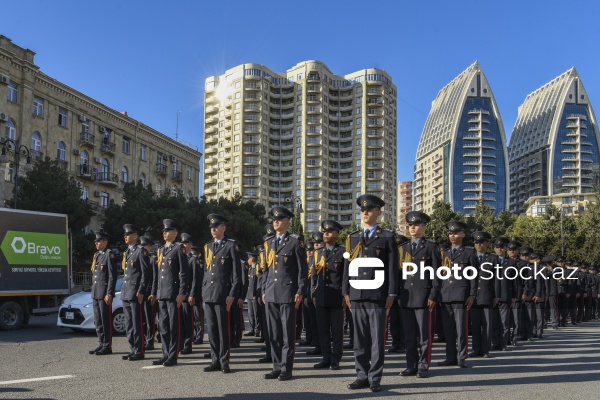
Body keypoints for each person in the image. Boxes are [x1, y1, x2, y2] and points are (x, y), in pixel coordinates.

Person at [343, 194, 399, 392]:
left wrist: (392, 293)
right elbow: (347, 267)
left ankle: (374, 377)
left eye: (369, 209)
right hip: (356, 294)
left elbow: (393, 268)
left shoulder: (387, 237)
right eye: (362, 210)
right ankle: (361, 375)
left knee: (376, 339)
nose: (365, 212)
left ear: (378, 212)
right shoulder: (353, 238)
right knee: (359, 339)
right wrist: (345, 292)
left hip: (378, 295)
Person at [262, 205, 308, 381]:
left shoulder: (295, 242)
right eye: (274, 219)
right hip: (271, 292)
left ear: (288, 222)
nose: (276, 222)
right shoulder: (269, 243)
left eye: (280, 219)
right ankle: (276, 366)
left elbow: (302, 270)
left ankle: (286, 369)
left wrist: (300, 291)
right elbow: (266, 269)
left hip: (288, 292)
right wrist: (264, 289)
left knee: (288, 334)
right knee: (273, 333)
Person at [398, 211, 441, 379]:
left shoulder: (431, 247)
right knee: (409, 335)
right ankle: (411, 365)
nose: (412, 228)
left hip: (424, 297)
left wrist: (433, 295)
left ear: (424, 227)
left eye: (416, 225)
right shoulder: (403, 248)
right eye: (410, 225)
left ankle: (423, 365)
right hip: (407, 297)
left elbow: (437, 273)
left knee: (424, 335)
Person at [202, 214, 242, 374]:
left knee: (223, 330)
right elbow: (207, 270)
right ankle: (215, 361)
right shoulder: (208, 246)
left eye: (216, 227)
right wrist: (203, 290)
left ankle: (224, 361)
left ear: (223, 228)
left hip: (223, 294)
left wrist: (232, 294)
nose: (213, 229)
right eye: (211, 227)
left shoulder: (231, 246)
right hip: (209, 293)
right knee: (211, 330)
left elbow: (236, 274)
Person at [151, 219, 190, 367]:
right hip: (162, 293)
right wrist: (155, 292)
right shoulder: (161, 250)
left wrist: (182, 292)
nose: (164, 233)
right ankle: (165, 353)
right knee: (163, 326)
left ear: (175, 233)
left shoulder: (178, 249)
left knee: (174, 326)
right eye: (163, 231)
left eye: (167, 231)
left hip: (173, 293)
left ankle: (173, 355)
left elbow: (184, 272)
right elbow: (159, 274)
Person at [438, 220, 478, 369]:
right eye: (450, 233)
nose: (452, 236)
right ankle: (450, 357)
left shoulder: (468, 252)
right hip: (445, 294)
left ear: (463, 234)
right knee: (448, 329)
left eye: (455, 233)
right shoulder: (445, 254)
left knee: (461, 329)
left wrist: (472, 294)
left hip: (461, 295)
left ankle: (462, 357)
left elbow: (474, 275)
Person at [310, 220, 345, 371]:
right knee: (322, 329)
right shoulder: (318, 253)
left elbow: (346, 276)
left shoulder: (343, 252)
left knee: (337, 331)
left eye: (329, 232)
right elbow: (313, 276)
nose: (326, 234)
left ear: (337, 234)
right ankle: (326, 357)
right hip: (321, 296)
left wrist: (345, 295)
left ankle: (336, 359)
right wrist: (313, 293)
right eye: (324, 232)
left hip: (337, 296)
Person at [120, 224, 152, 361]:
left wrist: (141, 290)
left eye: (128, 234)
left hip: (135, 293)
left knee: (137, 323)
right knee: (129, 324)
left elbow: (146, 273)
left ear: (135, 236)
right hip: (126, 292)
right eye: (125, 235)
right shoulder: (127, 252)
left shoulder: (140, 251)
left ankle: (139, 350)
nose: (125, 237)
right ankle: (132, 348)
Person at [469, 231, 497, 358]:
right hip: (473, 296)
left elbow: (497, 278)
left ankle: (485, 350)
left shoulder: (492, 258)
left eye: (482, 243)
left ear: (486, 244)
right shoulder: (470, 257)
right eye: (476, 243)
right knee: (475, 325)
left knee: (487, 325)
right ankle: (476, 349)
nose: (479, 245)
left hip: (487, 295)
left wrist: (496, 295)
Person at [89, 231, 117, 356]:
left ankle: (107, 345)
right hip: (96, 292)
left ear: (105, 242)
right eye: (95, 241)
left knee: (106, 320)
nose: (96, 243)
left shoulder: (108, 255)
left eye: (99, 241)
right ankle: (101, 343)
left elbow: (112, 276)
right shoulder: (97, 255)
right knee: (98, 320)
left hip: (104, 293)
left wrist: (109, 293)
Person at [492, 237, 516, 351]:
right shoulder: (490, 260)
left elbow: (515, 281)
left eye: (502, 247)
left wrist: (513, 296)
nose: (500, 249)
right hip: (492, 296)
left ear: (506, 248)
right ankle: (494, 342)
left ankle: (503, 343)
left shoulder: (511, 262)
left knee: (504, 322)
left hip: (506, 295)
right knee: (494, 322)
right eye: (497, 247)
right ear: (494, 248)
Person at [179, 233, 200, 354]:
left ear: (190, 245)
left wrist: (191, 294)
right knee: (180, 321)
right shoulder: (180, 258)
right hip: (179, 295)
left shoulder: (193, 260)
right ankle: (181, 343)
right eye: (182, 243)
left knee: (187, 321)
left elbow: (194, 280)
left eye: (186, 243)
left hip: (187, 295)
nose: (183, 245)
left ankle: (188, 345)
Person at [140, 235, 157, 350]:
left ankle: (150, 341)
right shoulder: (139, 257)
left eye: (145, 246)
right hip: (141, 293)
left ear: (149, 247)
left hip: (149, 293)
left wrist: (154, 292)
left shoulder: (153, 259)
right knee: (143, 319)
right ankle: (145, 338)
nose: (143, 248)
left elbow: (156, 277)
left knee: (150, 318)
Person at [190, 245, 205, 345]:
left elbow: (196, 279)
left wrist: (193, 293)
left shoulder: (197, 262)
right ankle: (194, 335)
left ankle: (199, 336)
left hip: (197, 294)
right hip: (190, 293)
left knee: (198, 316)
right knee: (192, 317)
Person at [244, 252, 261, 338]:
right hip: (249, 294)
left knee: (256, 312)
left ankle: (257, 329)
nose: (248, 260)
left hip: (254, 294)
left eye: (249, 258)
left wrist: (256, 294)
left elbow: (258, 283)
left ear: (252, 259)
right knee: (250, 313)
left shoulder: (258, 268)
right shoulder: (250, 269)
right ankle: (252, 328)